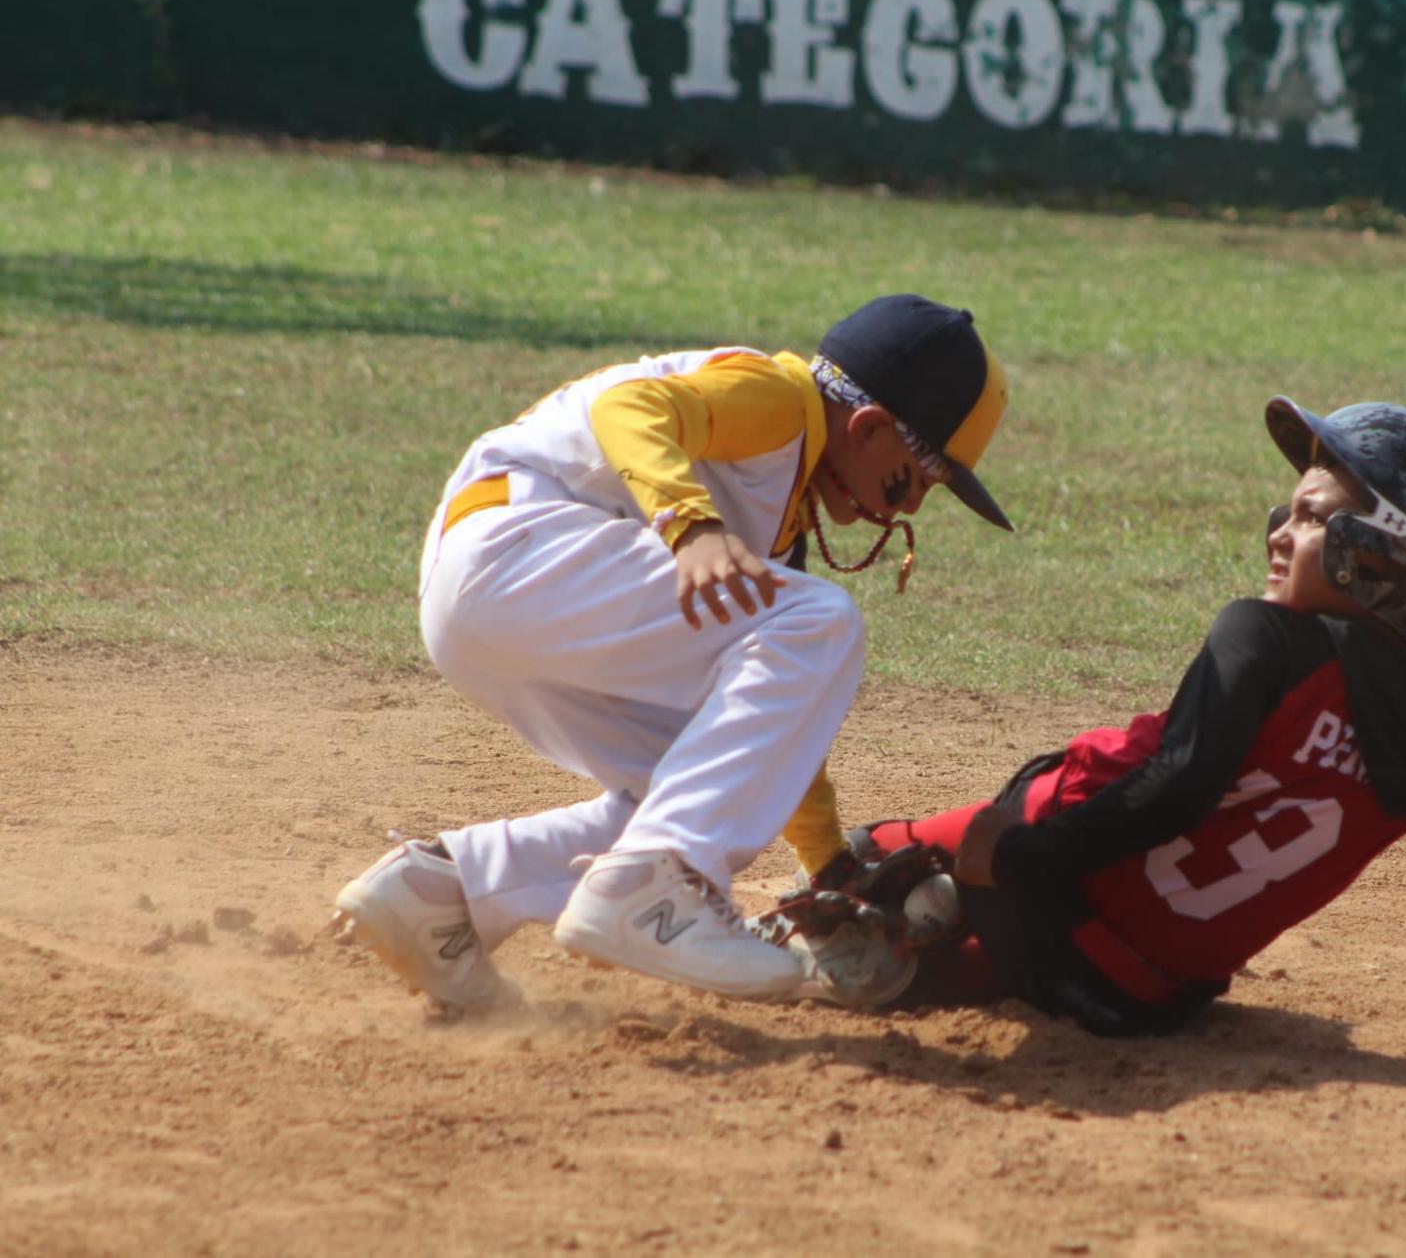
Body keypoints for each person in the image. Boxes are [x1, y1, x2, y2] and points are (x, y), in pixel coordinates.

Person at [840, 397, 1406, 1092]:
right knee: (950, 971)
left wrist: (1019, 857)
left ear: (1382, 560)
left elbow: (1178, 787)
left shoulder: (1267, 637)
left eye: (1314, 519)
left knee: (866, 856)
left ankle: (901, 893)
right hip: (1134, 999)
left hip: (1046, 884)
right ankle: (934, 949)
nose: (1281, 530)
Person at [331, 294, 1013, 1012]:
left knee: (711, 790)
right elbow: (630, 406)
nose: (909, 508)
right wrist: (691, 526)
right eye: (920, 476)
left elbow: (765, 737)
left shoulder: (781, 511)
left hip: (501, 590)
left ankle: (443, 893)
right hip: (518, 549)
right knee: (825, 621)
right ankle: (649, 885)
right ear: (870, 426)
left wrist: (829, 864)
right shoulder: (780, 399)